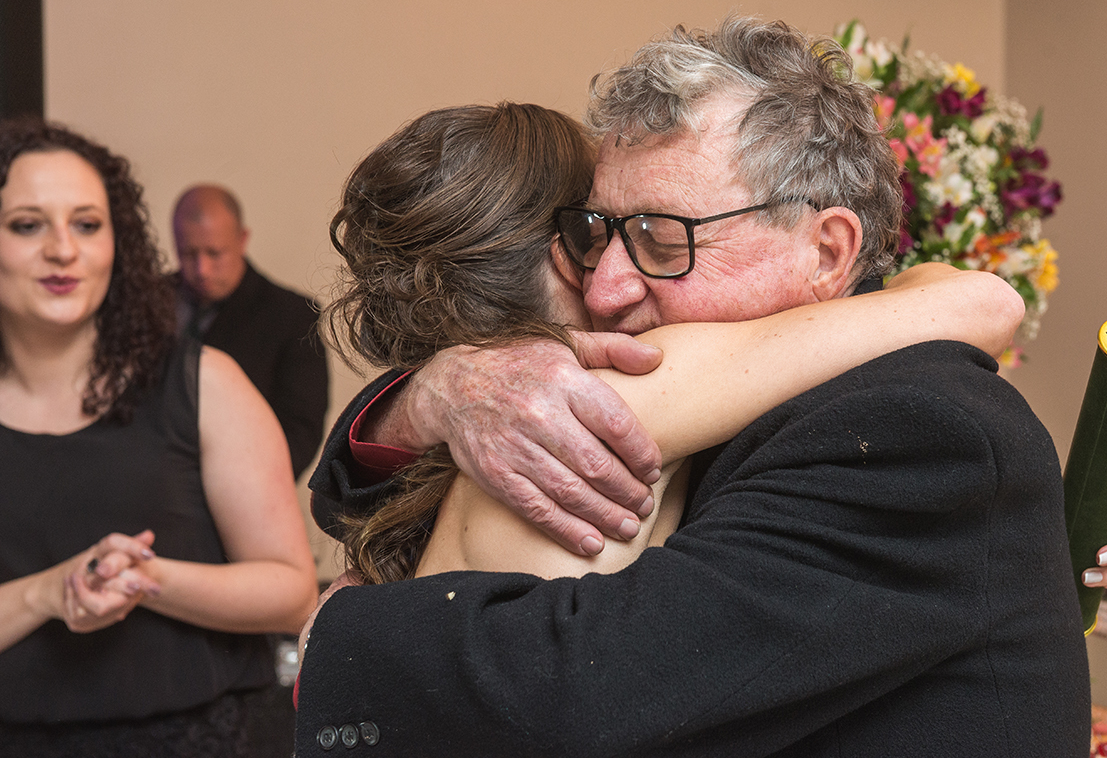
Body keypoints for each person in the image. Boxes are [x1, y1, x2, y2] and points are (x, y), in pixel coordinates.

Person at [299, 19, 1107, 755]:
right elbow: (351, 493)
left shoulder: (917, 425)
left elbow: (585, 698)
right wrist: (435, 392)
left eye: (664, 240)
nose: (606, 287)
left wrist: (338, 634)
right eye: (600, 233)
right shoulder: (711, 388)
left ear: (828, 252)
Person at [309, 102, 1022, 589]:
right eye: (603, 229)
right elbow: (970, 302)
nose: (621, 274)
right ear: (566, 257)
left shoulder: (454, 456)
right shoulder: (618, 398)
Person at [0, 118, 318, 757]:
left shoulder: (207, 384)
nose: (63, 249)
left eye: (87, 224)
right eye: (27, 224)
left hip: (193, 739)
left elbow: (291, 595)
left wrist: (143, 577)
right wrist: (50, 591)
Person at [172, 184, 329, 479]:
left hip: (246, 488)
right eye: (188, 253)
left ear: (242, 240)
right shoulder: (149, 302)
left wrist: (250, 487)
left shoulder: (292, 315)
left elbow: (300, 431)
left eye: (214, 253)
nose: (202, 269)